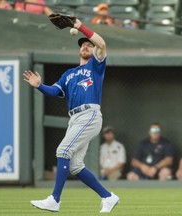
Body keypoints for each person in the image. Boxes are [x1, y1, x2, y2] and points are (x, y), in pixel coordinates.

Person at [23, 18, 119, 213]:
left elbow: (102, 43)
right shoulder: (69, 73)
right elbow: (55, 92)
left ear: (94, 51)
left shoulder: (96, 67)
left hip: (89, 114)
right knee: (75, 165)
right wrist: (39, 86)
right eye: (83, 44)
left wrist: (79, 26)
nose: (86, 46)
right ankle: (108, 197)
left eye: (88, 45)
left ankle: (54, 200)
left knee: (63, 150)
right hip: (75, 118)